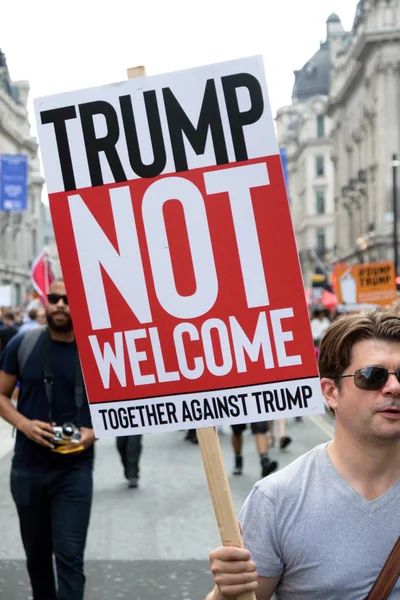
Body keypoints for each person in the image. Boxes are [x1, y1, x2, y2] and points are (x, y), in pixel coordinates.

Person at [206, 310, 400, 599]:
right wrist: (226, 592)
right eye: (372, 376)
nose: (394, 387)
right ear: (331, 392)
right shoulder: (277, 500)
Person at [0, 279, 96, 600]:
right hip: (28, 468)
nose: (59, 304)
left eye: (68, 299)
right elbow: (1, 394)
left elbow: (120, 407)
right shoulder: (23, 344)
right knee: (37, 559)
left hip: (75, 468)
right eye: (54, 297)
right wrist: (24, 425)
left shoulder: (97, 350)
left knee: (69, 557)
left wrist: (92, 433)